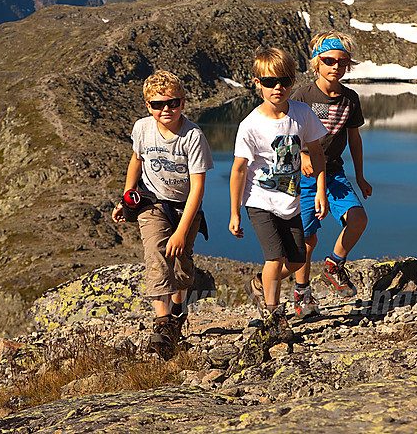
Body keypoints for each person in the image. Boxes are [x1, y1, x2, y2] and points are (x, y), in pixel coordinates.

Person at [111, 70, 213, 357]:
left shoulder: (193, 136)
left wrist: (181, 231)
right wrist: (127, 196)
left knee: (181, 265)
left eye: (173, 103)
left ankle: (178, 312)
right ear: (148, 106)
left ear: (183, 102)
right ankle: (162, 323)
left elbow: (197, 189)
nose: (165, 109)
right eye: (157, 104)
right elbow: (136, 160)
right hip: (152, 202)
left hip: (185, 208)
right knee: (157, 255)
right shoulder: (142, 128)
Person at [229, 47, 328, 329]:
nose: (278, 88)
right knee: (274, 257)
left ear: (292, 81)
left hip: (290, 201)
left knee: (297, 261)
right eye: (270, 82)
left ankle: (260, 283)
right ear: (257, 83)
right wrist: (235, 212)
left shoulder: (302, 113)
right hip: (259, 201)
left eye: (284, 81)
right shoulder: (250, 125)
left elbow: (317, 152)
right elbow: (238, 170)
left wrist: (320, 190)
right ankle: (273, 315)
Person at [291, 31, 372, 318]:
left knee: (358, 219)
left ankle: (334, 265)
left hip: (334, 173)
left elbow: (355, 139)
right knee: (306, 239)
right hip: (303, 178)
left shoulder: (350, 99)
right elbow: (284, 135)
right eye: (328, 60)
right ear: (316, 63)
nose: (334, 67)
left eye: (341, 61)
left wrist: (360, 176)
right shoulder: (302, 96)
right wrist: (301, 156)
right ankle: (302, 293)